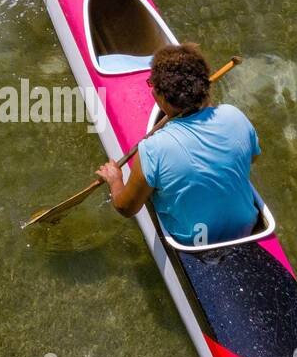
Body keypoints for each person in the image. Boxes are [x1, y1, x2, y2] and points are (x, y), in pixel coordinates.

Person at [95, 44, 262, 247]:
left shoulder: (152, 150)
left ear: (162, 98)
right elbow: (252, 158)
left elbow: (126, 208)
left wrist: (115, 180)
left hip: (196, 242)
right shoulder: (235, 116)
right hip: (248, 226)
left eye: (152, 86)